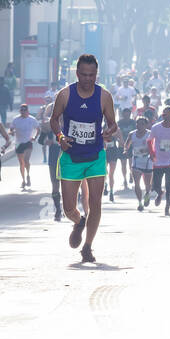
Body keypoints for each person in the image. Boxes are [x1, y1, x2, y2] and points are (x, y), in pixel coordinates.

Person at [51, 54, 118, 263]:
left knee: (95, 202)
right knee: (68, 207)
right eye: (84, 75)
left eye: (92, 75)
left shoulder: (104, 96)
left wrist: (109, 132)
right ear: (77, 73)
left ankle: (88, 247)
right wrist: (60, 137)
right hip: (71, 156)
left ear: (97, 74)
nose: (88, 79)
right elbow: (54, 120)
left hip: (95, 155)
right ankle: (79, 221)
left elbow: (112, 123)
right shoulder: (65, 95)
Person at [148, 106, 170, 216]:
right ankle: (159, 193)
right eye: (165, 115)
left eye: (169, 115)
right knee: (155, 185)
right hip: (158, 160)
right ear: (163, 116)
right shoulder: (156, 127)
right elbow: (149, 141)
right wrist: (152, 153)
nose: (167, 117)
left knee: (169, 185)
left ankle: (167, 208)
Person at [127, 116, 154, 211]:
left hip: (147, 161)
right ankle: (139, 203)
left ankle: (147, 193)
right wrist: (125, 149)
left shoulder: (150, 134)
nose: (140, 125)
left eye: (142, 124)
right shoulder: (132, 134)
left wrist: (147, 150)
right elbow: (127, 144)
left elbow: (154, 146)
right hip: (136, 161)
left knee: (147, 184)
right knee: (136, 183)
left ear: (146, 125)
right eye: (138, 123)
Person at [10, 103, 39, 190]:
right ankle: (23, 180)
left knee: (26, 160)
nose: (23, 112)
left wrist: (35, 137)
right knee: (21, 163)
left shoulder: (32, 119)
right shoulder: (16, 119)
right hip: (19, 143)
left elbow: (38, 129)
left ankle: (28, 175)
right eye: (21, 110)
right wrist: (11, 132)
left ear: (27, 111)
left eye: (24, 110)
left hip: (28, 142)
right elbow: (11, 128)